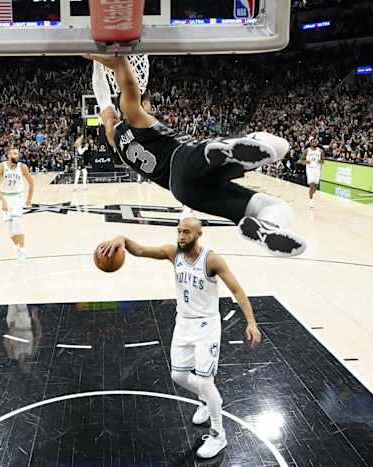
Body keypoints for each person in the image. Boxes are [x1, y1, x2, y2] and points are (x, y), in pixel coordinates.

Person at [86, 55, 306, 257]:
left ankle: (269, 228)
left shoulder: (114, 137)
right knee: (282, 146)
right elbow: (120, 70)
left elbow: (103, 98)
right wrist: (110, 53)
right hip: (184, 159)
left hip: (184, 191)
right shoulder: (135, 113)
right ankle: (226, 152)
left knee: (271, 207)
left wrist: (95, 61)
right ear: (143, 103)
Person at [97, 217, 262, 459]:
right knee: (179, 375)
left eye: (186, 232)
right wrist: (122, 239)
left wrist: (251, 322)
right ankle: (208, 401)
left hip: (206, 325)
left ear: (198, 234)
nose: (181, 236)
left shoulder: (211, 260)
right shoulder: (173, 253)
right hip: (183, 323)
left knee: (206, 381)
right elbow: (140, 250)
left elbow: (237, 290)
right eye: (179, 231)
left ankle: (219, 435)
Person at [0, 145, 34, 262]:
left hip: (18, 197)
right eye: (14, 154)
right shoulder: (1, 167)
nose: (17, 155)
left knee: (17, 222)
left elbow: (31, 183)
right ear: (8, 155)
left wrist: (29, 199)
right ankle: (17, 247)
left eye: (17, 153)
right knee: (10, 230)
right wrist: (3, 201)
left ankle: (22, 251)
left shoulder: (23, 167)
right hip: (5, 197)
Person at [299, 138, 324, 209]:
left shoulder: (320, 151)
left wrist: (321, 161)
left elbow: (323, 160)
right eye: (313, 142)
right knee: (312, 184)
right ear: (310, 143)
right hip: (310, 169)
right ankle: (311, 201)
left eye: (316, 142)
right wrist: (305, 162)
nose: (314, 143)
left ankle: (312, 193)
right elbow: (301, 160)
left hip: (317, 169)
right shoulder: (306, 150)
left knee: (315, 185)